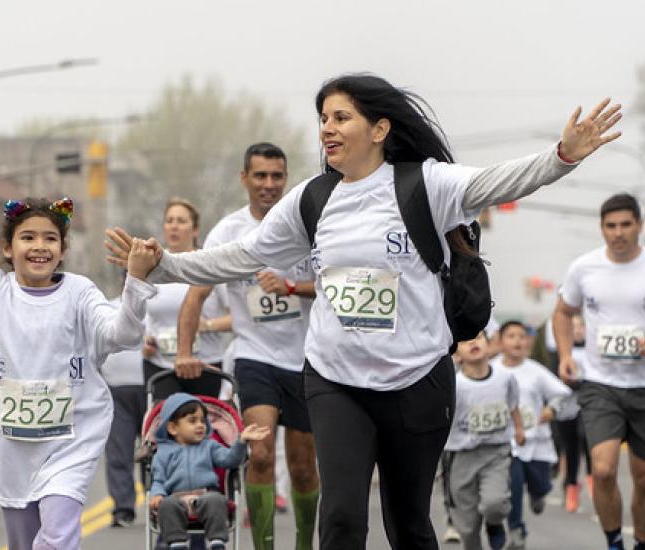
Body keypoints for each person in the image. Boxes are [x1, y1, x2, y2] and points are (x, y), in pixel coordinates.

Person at [107, 74, 622, 549]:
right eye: (323, 120)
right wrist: (164, 267)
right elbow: (244, 255)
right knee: (343, 518)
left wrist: (561, 157)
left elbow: (499, 182)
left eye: (340, 118)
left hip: (418, 379)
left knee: (409, 523)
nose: (327, 129)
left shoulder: (427, 184)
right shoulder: (311, 199)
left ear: (379, 128)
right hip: (337, 381)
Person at [0, 174, 158, 550]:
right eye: (28, 237)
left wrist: (134, 282)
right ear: (8, 248)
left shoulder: (79, 293)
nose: (40, 247)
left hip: (71, 440)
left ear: (63, 249)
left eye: (50, 239)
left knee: (57, 537)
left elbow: (122, 335)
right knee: (24, 543)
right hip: (11, 448)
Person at [174, 143, 319, 550]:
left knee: (304, 467)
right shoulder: (229, 232)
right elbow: (195, 296)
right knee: (259, 454)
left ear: (285, 179)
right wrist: (185, 352)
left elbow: (333, 286)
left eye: (276, 176)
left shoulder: (306, 227)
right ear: (245, 179)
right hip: (254, 357)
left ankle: (305, 544)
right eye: (260, 176)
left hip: (307, 358)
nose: (269, 185)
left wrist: (292, 287)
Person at [553, 192, 645, 550]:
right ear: (602, 229)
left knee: (642, 476)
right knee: (604, 469)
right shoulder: (583, 267)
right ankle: (613, 542)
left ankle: (639, 540)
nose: (618, 232)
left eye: (625, 224)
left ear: (639, 226)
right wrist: (565, 355)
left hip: (642, 385)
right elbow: (563, 312)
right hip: (599, 383)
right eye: (611, 225)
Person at [149, 392, 270, 550]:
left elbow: (230, 460)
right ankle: (176, 543)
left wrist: (241, 441)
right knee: (167, 505)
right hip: (176, 498)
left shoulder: (210, 446)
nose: (200, 425)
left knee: (216, 500)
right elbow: (158, 479)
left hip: (205, 494)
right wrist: (157, 494)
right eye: (192, 421)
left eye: (202, 421)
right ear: (172, 428)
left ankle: (217, 542)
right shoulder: (163, 453)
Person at [491, 321, 573, 549]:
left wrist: (552, 408)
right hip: (506, 442)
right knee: (513, 484)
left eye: (521, 336)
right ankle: (517, 529)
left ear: (528, 341)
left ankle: (539, 492)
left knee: (541, 484)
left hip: (536, 441)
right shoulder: (493, 369)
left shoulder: (535, 370)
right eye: (511, 336)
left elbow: (562, 394)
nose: (517, 341)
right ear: (500, 341)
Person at [445, 331, 525, 550]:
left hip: (496, 453)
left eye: (479, 338)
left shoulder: (505, 378)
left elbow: (513, 404)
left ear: (490, 347)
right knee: (467, 527)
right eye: (465, 340)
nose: (473, 342)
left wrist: (519, 428)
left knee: (495, 504)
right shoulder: (454, 384)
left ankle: (494, 522)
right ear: (456, 354)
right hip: (462, 456)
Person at [143, 198, 230, 400]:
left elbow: (238, 317)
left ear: (195, 229)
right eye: (169, 220)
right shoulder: (152, 265)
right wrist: (145, 339)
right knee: (163, 426)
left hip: (205, 364)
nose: (174, 226)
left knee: (200, 428)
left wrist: (206, 325)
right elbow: (143, 314)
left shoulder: (209, 265)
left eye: (181, 221)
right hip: (160, 364)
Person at [100, 295, 147, 528]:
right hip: (116, 389)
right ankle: (123, 508)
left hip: (152, 385)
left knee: (156, 450)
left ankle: (159, 503)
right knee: (119, 450)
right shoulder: (106, 305)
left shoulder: (156, 305)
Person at [557, 314, 593, 513]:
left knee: (588, 442)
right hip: (566, 407)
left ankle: (594, 484)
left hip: (588, 405)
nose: (578, 330)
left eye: (581, 326)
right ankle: (571, 488)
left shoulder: (592, 351)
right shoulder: (562, 352)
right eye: (573, 327)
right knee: (571, 449)